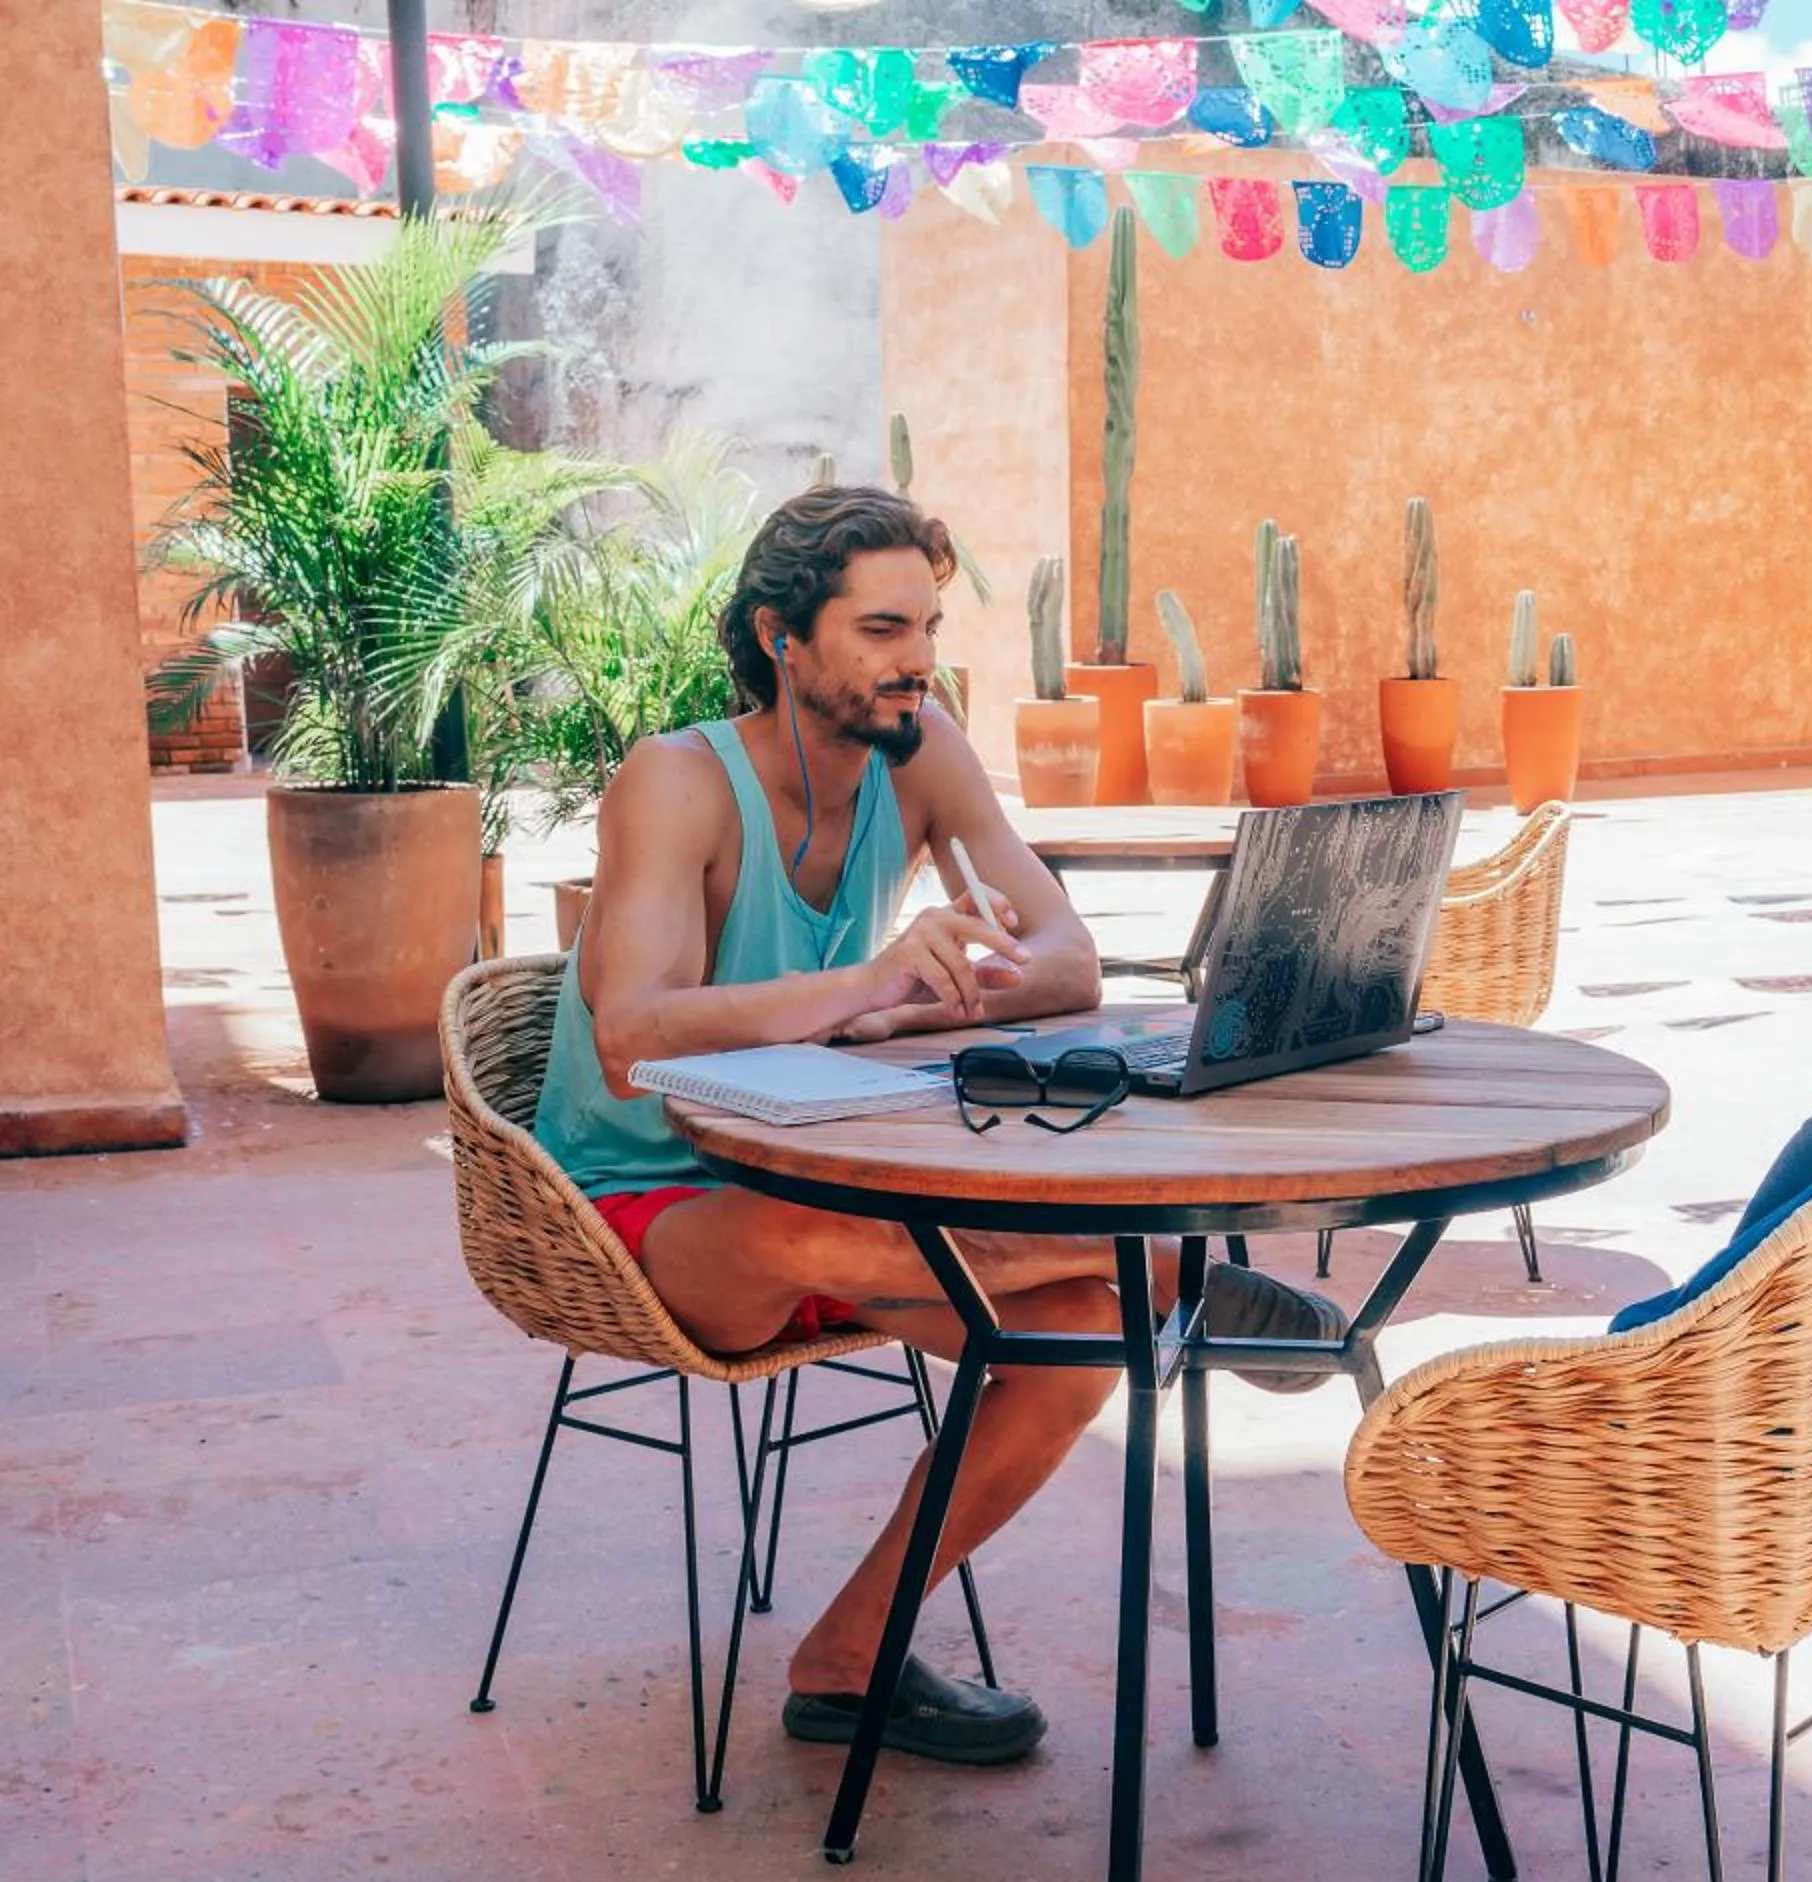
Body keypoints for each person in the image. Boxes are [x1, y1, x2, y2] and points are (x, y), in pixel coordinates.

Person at [532, 486, 1345, 1767]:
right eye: (880, 628)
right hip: (645, 1208)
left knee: (1082, 1334)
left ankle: (850, 1660)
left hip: (839, 1195)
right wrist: (869, 981)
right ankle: (1190, 1272)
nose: (916, 657)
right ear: (780, 638)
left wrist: (944, 982)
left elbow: (1069, 961)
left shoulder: (925, 753)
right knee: (805, 1222)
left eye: (927, 624)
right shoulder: (679, 779)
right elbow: (634, 1030)